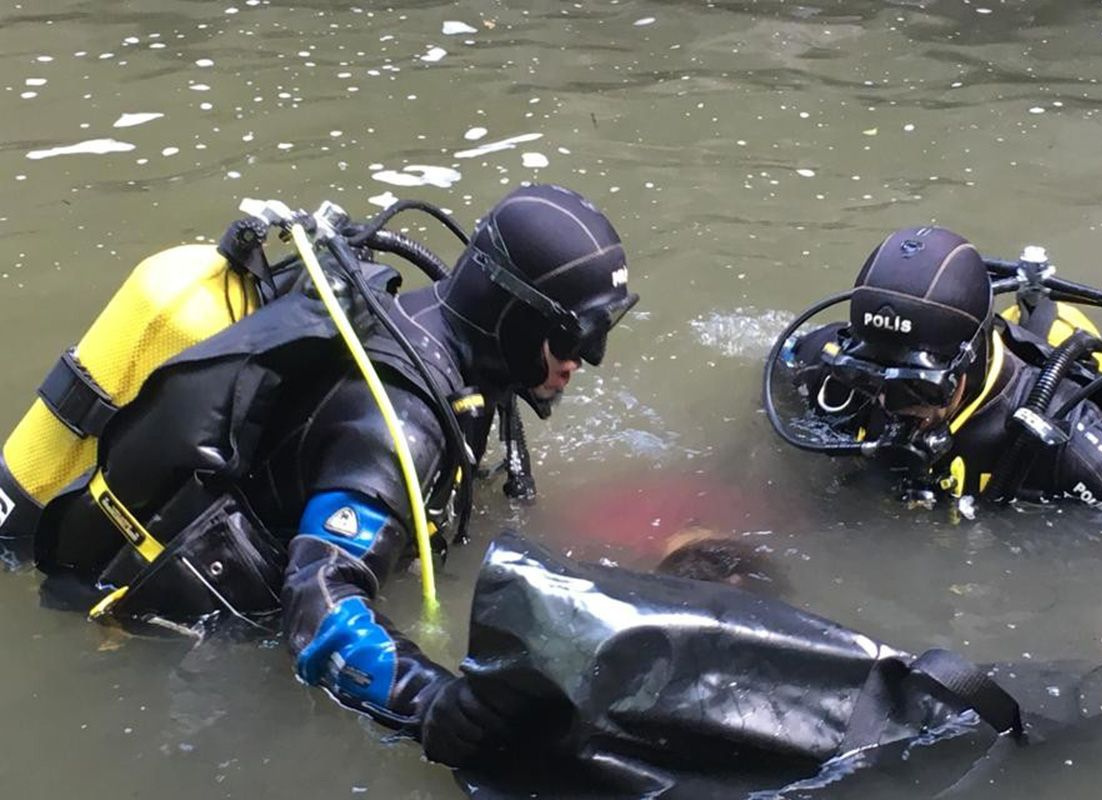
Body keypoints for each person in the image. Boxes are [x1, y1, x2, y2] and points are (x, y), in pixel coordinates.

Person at [0, 183, 638, 768]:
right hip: (144, 634)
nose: (589, 359)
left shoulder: (437, 337)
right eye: (577, 335)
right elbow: (319, 602)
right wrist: (431, 704)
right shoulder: (400, 425)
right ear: (517, 319)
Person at [774, 225, 1102, 518]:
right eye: (869, 377)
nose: (887, 403)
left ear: (969, 363)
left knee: (1053, 326)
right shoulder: (828, 368)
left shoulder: (1072, 437)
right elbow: (774, 367)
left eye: (917, 388)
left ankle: (1039, 308)